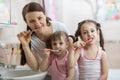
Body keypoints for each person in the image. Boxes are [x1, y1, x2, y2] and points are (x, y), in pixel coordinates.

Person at [17, 2, 69, 80]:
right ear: (27, 23)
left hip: (69, 74)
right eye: (32, 21)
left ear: (45, 16)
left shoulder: (59, 27)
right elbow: (35, 68)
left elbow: (72, 48)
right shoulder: (32, 40)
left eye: (40, 18)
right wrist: (25, 45)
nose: (37, 23)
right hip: (50, 76)